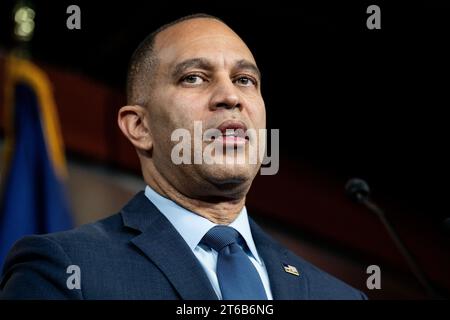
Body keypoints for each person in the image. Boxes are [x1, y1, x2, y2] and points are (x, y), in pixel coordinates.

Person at [0, 14, 367, 300]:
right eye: (193, 77)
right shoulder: (64, 271)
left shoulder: (338, 295)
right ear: (139, 127)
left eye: (245, 80)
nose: (230, 96)